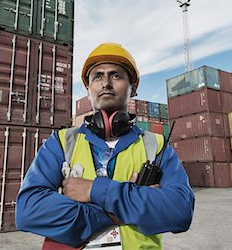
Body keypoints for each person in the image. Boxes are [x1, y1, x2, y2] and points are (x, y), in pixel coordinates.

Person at [15, 43, 195, 249]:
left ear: (133, 87)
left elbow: (180, 212)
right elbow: (28, 210)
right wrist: (118, 211)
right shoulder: (62, 142)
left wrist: (93, 190)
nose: (106, 83)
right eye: (98, 76)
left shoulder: (156, 146)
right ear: (88, 88)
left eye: (116, 75)